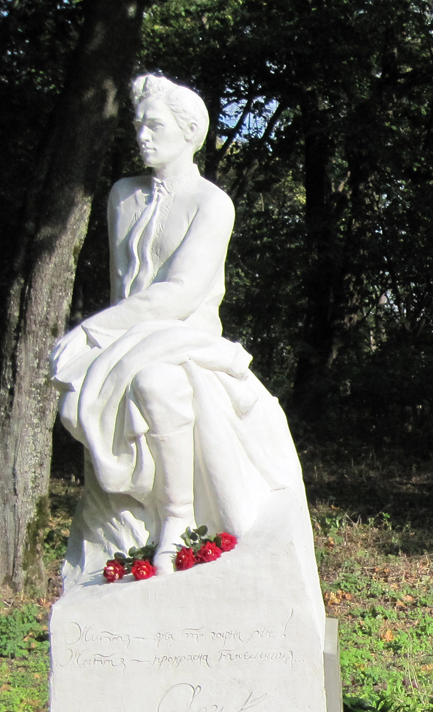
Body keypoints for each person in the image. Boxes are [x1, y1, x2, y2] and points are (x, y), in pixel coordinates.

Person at [51, 75, 302, 586]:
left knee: (156, 381)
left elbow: (182, 292)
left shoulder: (212, 202)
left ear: (190, 132)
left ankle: (177, 517)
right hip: (129, 337)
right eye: (138, 125)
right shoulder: (122, 195)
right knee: (85, 389)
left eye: (155, 126)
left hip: (188, 338)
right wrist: (106, 341)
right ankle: (133, 514)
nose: (142, 135)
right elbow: (123, 286)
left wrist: (92, 330)